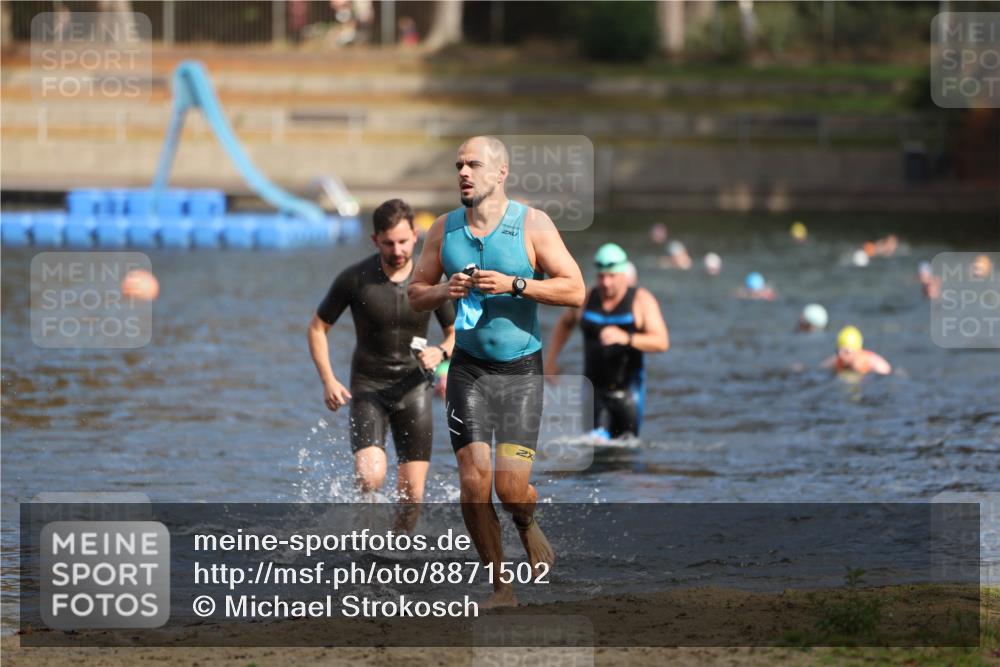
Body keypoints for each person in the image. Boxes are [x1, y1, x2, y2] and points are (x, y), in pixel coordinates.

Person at [408, 136, 585, 608]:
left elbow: (575, 290)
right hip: (466, 369)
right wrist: (445, 290)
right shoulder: (443, 230)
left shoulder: (533, 224)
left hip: (520, 371)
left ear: (500, 173)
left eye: (474, 165)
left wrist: (517, 284)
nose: (464, 173)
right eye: (459, 165)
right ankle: (500, 586)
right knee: (473, 481)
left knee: (510, 488)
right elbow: (414, 292)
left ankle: (527, 523)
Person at [308, 199, 456, 523]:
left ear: (416, 236)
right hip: (369, 388)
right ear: (375, 240)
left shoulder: (432, 281)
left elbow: (456, 333)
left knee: (412, 495)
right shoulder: (355, 279)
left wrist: (443, 352)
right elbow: (318, 328)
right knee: (370, 477)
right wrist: (328, 380)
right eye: (388, 243)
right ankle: (365, 536)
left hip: (415, 390)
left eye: (403, 241)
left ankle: (397, 555)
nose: (397, 250)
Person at [545, 243, 669, 440]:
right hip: (592, 390)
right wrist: (551, 361)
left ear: (624, 275)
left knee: (624, 454)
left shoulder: (641, 300)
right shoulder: (587, 298)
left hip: (628, 393)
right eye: (601, 276)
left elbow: (661, 341)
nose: (606, 282)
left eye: (612, 276)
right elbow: (565, 324)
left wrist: (627, 338)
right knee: (594, 446)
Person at [822, 325, 891, 376]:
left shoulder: (876, 365)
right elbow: (820, 370)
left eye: (846, 352)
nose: (841, 355)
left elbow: (888, 374)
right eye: (838, 351)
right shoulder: (836, 361)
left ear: (857, 351)